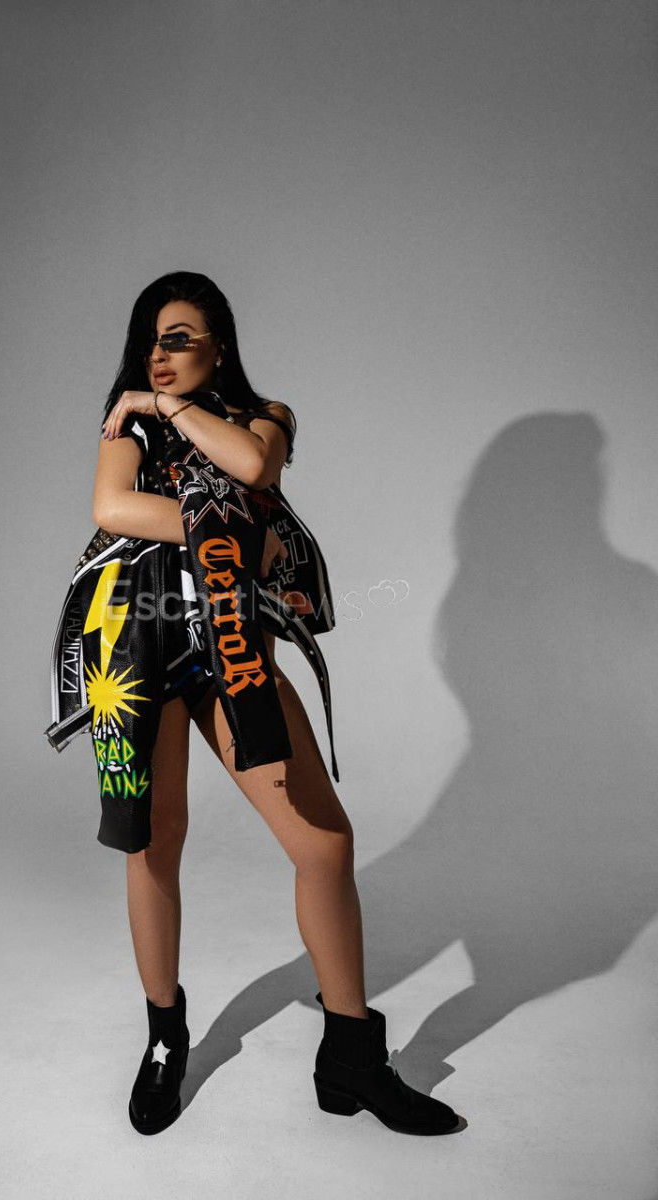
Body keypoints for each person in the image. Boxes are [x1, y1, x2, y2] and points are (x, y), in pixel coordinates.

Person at [86, 271, 463, 1137]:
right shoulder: (125, 422)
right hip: (139, 645)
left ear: (219, 346)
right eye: (150, 342)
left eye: (179, 338)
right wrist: (227, 528)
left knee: (324, 843)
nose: (159, 356)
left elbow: (254, 467)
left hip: (232, 650)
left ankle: (351, 1057)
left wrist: (168, 412)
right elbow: (110, 506)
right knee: (154, 841)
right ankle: (165, 1038)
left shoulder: (263, 416)